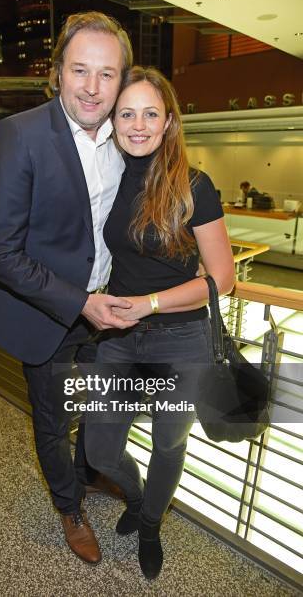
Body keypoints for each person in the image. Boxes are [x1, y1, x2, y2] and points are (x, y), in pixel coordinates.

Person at [0, 12, 135, 565]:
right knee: (51, 422)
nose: (93, 88)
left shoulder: (129, 138)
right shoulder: (19, 135)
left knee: (98, 407)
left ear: (123, 79)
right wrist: (80, 302)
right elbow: (0, 252)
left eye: (108, 74)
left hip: (110, 309)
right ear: (57, 73)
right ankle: (69, 506)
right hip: (49, 316)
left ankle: (90, 473)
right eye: (80, 71)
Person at [84, 66, 235, 579]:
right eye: (127, 113)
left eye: (151, 113)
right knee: (101, 447)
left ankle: (150, 522)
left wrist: (149, 303)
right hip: (120, 338)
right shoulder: (108, 177)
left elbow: (222, 278)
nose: (138, 124)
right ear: (114, 120)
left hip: (180, 337)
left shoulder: (194, 185)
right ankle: (137, 495)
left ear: (169, 121)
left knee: (170, 442)